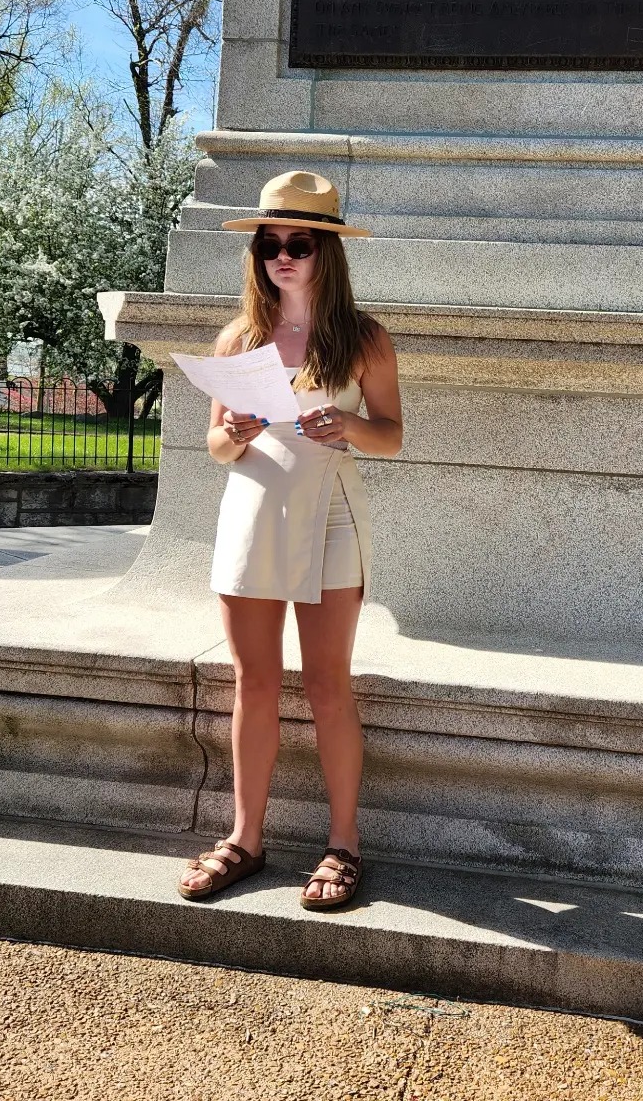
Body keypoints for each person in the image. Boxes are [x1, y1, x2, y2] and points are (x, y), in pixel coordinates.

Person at [176, 171, 403, 910]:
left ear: (325, 251)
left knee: (328, 683)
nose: (281, 255)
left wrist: (350, 427)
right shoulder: (240, 336)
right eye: (269, 243)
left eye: (297, 243)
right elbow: (214, 445)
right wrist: (232, 433)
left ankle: (345, 845)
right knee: (255, 683)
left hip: (331, 511)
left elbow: (392, 437)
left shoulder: (363, 337)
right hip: (252, 510)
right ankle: (245, 838)